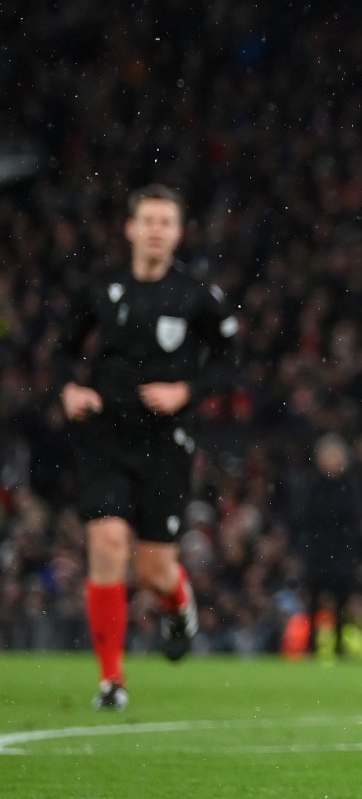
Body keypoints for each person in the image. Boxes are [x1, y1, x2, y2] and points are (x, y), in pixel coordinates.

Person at [53, 184, 239, 711]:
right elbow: (62, 351)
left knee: (154, 570)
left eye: (167, 222)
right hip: (107, 434)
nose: (157, 230)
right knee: (108, 544)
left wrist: (187, 391)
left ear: (178, 234)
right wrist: (69, 388)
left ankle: (178, 603)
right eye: (148, 221)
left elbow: (230, 362)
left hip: (165, 442)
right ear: (130, 229)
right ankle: (112, 680)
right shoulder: (100, 288)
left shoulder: (197, 296)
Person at [293, 433, 362, 660]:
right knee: (314, 602)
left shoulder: (351, 487)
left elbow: (355, 520)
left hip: (342, 553)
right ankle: (312, 646)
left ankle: (340, 646)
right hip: (318, 553)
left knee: (342, 602)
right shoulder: (312, 486)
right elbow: (304, 518)